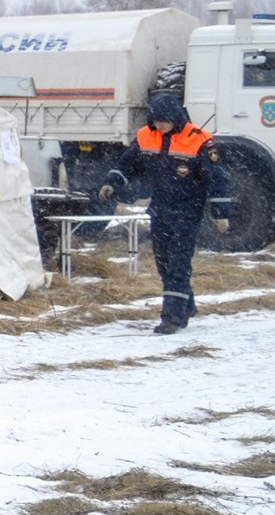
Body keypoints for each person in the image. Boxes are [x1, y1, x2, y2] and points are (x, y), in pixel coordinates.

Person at [97, 90, 231, 334]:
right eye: (156, 120)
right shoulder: (146, 136)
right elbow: (128, 163)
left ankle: (172, 318)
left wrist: (221, 212)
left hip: (188, 210)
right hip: (159, 209)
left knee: (178, 263)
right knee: (164, 262)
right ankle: (186, 304)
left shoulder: (199, 139)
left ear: (176, 118)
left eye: (165, 120)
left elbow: (217, 177)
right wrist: (111, 182)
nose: (160, 125)